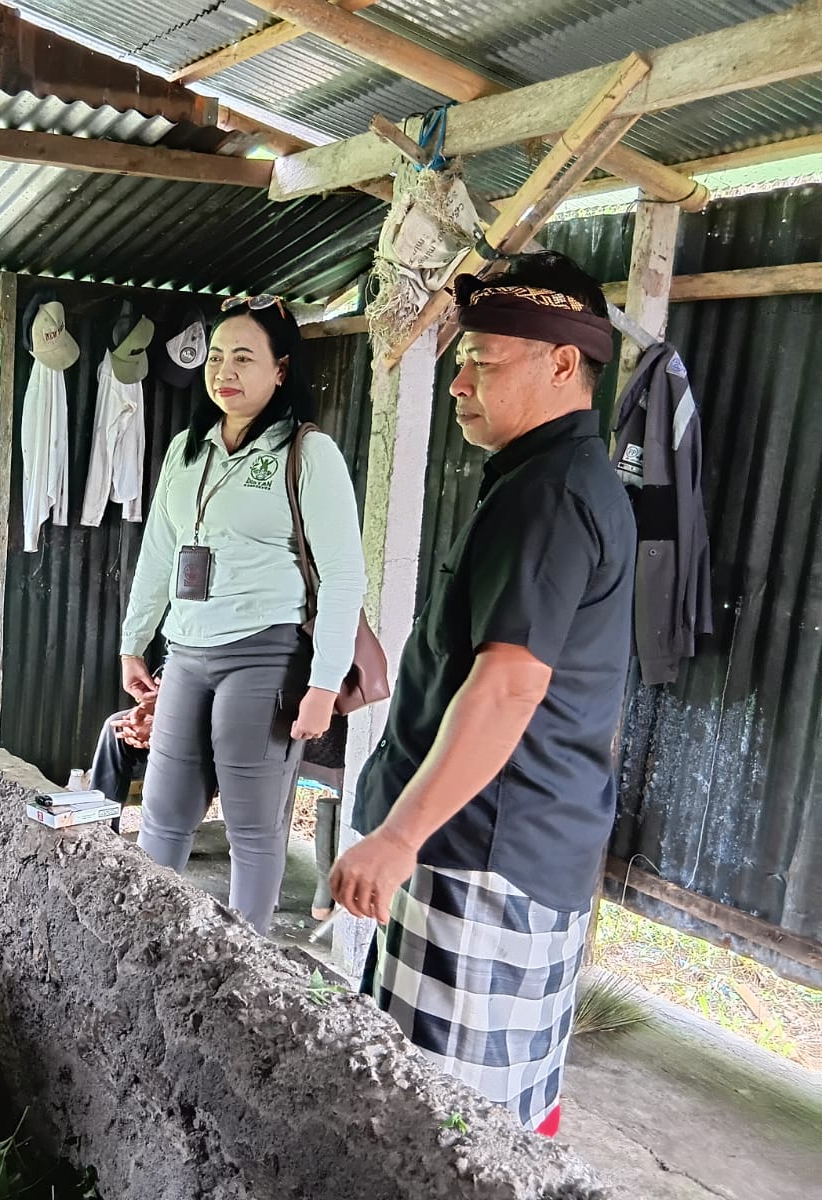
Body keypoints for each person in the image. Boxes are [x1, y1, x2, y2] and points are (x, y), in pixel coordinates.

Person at [330, 251, 637, 1138]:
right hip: (508, 841)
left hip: (483, 857)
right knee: (493, 1107)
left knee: (444, 1128)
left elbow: (508, 686)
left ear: (563, 363)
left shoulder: (548, 495)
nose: (459, 382)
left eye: (482, 362)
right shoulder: (552, 478)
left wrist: (399, 837)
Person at [118, 296, 366, 935]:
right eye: (217, 357)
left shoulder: (308, 453)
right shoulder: (187, 449)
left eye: (244, 358)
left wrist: (323, 685)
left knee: (252, 827)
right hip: (185, 652)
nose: (224, 371)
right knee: (164, 814)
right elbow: (160, 551)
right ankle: (153, 948)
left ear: (280, 370)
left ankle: (244, 961)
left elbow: (344, 576)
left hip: (264, 653)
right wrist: (133, 641)